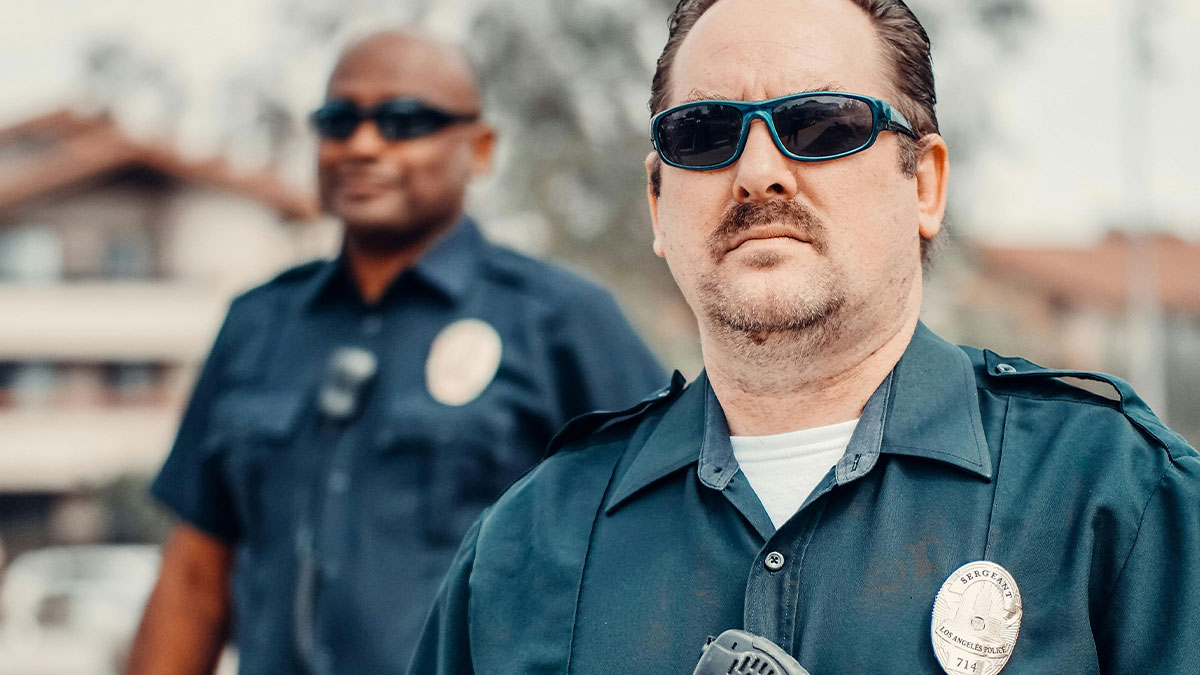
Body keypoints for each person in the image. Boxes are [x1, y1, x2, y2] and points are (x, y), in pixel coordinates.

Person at [409, 1, 1200, 673]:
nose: (758, 170)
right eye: (704, 134)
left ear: (923, 185)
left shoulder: (1122, 503)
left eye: (821, 125)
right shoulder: (526, 544)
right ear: (657, 203)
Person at [127, 29, 666, 675]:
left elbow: (662, 540)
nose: (362, 143)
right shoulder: (256, 323)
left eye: (404, 121)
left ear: (481, 148)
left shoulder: (562, 319)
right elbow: (194, 575)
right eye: (339, 120)